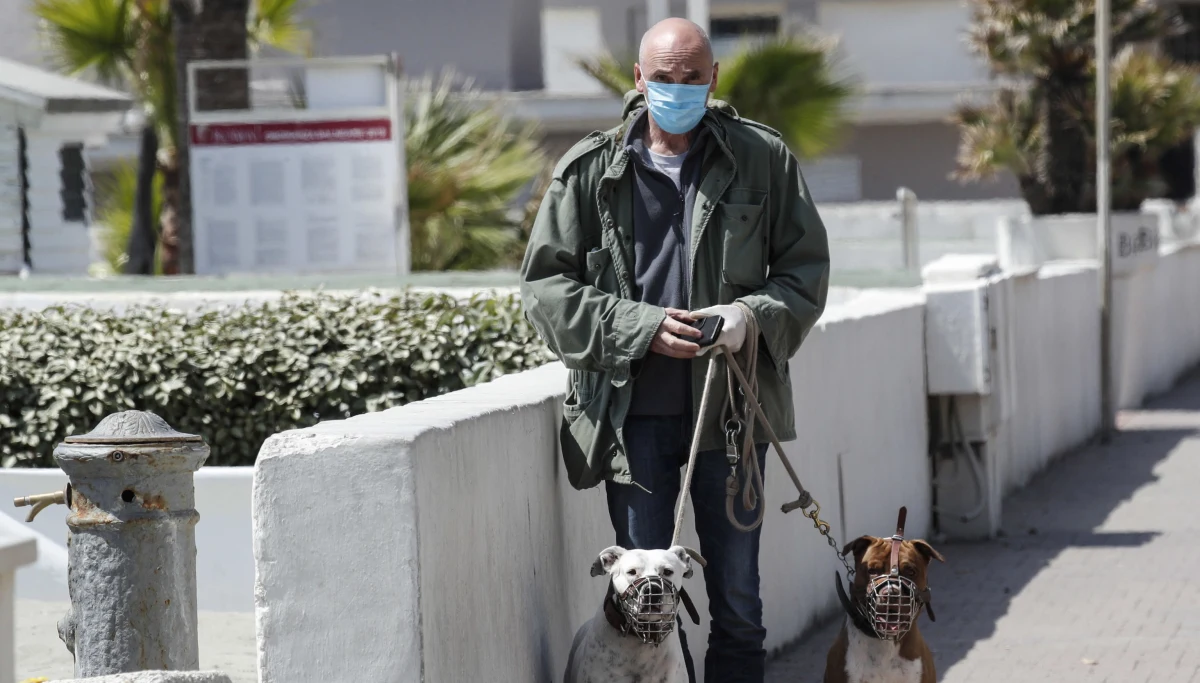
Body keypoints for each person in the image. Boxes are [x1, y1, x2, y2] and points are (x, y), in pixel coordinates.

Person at [519, 17, 830, 683]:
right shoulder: (589, 170)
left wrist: (750, 315)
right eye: (664, 78)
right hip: (633, 427)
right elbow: (544, 291)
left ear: (714, 78)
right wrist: (641, 327)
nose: (678, 89)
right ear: (638, 78)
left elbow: (805, 272)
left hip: (731, 425)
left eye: (692, 78)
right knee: (646, 610)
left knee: (739, 608)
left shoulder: (763, 159)